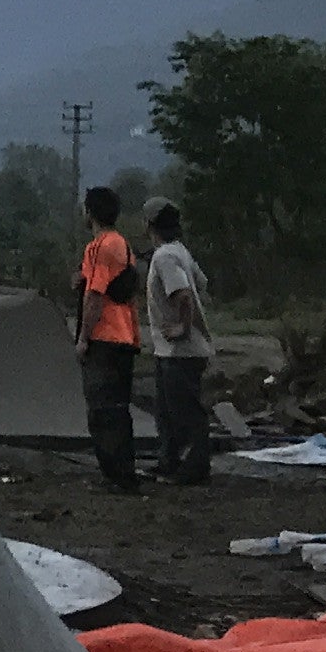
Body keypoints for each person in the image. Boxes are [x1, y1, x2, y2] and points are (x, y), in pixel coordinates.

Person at [72, 184, 143, 490]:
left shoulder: (99, 247)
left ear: (91, 212)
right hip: (126, 337)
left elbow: (95, 296)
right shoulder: (123, 245)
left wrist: (83, 338)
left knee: (102, 411)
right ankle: (125, 471)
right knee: (118, 409)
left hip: (105, 338)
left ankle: (114, 476)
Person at [144, 198, 215, 487]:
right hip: (171, 350)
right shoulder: (179, 252)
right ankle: (169, 462)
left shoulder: (164, 258)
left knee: (184, 412)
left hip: (181, 350)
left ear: (150, 225)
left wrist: (182, 328)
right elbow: (202, 282)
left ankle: (194, 468)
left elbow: (183, 294)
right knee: (167, 412)